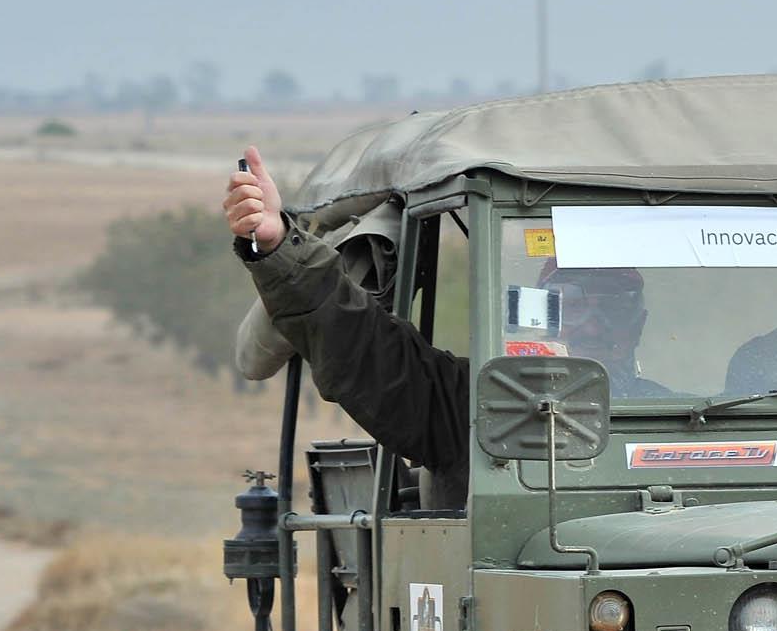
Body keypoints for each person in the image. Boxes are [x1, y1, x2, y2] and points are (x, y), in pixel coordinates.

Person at [223, 149, 665, 502]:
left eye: (613, 305)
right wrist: (279, 245)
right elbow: (359, 345)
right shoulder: (474, 408)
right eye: (572, 303)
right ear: (540, 318)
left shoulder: (678, 417)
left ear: (639, 323)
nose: (594, 325)